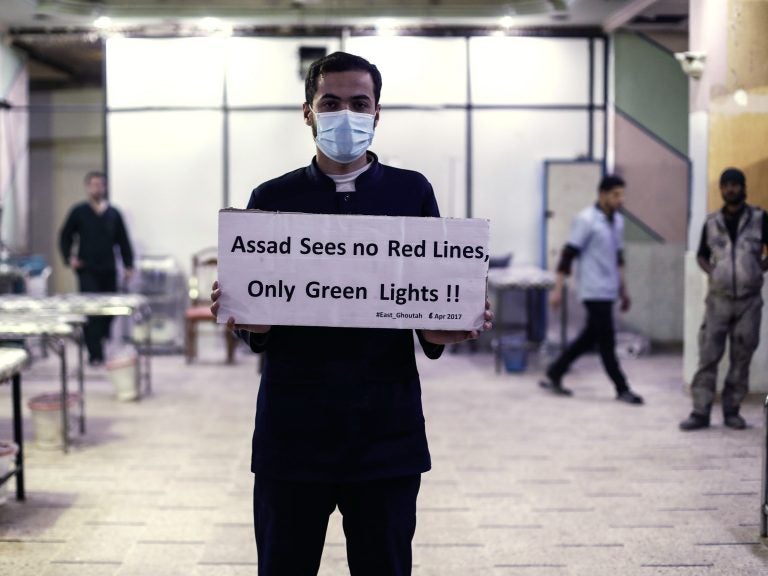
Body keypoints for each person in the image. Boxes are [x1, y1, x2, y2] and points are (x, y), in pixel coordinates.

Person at [210, 52, 492, 575]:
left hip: (385, 431)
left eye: (358, 103)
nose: (345, 115)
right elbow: (259, 329)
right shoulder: (272, 199)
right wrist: (245, 312)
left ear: (377, 112)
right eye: (330, 103)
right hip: (293, 434)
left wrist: (455, 320)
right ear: (308, 113)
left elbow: (427, 308)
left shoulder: (412, 193)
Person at [539, 174, 644, 405]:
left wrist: (624, 289)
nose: (620, 199)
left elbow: (618, 257)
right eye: (616, 194)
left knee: (589, 337)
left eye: (622, 194)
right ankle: (622, 388)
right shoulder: (586, 220)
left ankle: (555, 372)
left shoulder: (617, 222)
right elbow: (568, 255)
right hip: (591, 289)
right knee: (607, 341)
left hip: (609, 289)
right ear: (602, 194)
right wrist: (557, 289)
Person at [679, 167, 768, 431]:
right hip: (718, 300)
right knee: (708, 355)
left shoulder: (759, 218)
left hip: (749, 301)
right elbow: (701, 255)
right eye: (725, 185)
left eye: (735, 185)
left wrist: (757, 269)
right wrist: (714, 273)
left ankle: (732, 411)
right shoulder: (711, 222)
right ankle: (700, 411)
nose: (730, 189)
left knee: (741, 357)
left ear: (743, 187)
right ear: (721, 189)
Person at [59, 171, 134, 365]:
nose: (96, 188)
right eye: (93, 185)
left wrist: (128, 265)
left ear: (105, 187)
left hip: (108, 269)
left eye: (100, 184)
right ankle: (95, 354)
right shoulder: (79, 212)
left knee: (109, 311)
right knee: (91, 311)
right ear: (87, 187)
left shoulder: (113, 213)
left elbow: (123, 241)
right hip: (87, 270)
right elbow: (65, 236)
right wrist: (70, 258)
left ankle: (100, 342)